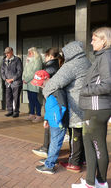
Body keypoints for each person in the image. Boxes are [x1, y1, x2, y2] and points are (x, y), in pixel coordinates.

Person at [43, 41, 91, 173]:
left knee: (75, 133)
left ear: (70, 52)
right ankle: (83, 159)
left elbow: (53, 84)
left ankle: (74, 163)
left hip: (75, 105)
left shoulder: (71, 65)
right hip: (86, 104)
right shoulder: (87, 62)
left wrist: (46, 93)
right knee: (82, 133)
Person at [72, 27, 111, 188]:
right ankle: (90, 182)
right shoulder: (101, 56)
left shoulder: (106, 57)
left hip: (97, 109)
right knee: (89, 143)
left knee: (98, 145)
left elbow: (107, 85)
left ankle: (101, 182)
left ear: (104, 40)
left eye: (95, 39)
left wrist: (85, 90)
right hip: (92, 108)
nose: (91, 42)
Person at [31, 70, 69, 175]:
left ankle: (49, 165)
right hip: (53, 121)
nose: (41, 86)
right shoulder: (49, 89)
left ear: (48, 79)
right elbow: (49, 106)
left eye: (42, 83)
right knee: (53, 142)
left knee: (55, 143)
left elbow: (63, 106)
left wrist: (58, 119)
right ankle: (50, 160)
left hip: (58, 122)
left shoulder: (57, 90)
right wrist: (46, 119)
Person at [32, 47, 63, 157]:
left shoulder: (50, 68)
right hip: (54, 98)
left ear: (50, 56)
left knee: (49, 122)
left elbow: (44, 83)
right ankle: (47, 147)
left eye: (45, 56)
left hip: (51, 98)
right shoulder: (58, 65)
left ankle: (47, 147)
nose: (44, 58)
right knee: (51, 122)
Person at [1, 47, 23, 118]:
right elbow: (2, 72)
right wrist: (5, 79)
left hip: (16, 83)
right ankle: (10, 111)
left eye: (8, 53)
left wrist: (12, 79)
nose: (6, 54)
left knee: (16, 98)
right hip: (7, 82)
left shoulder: (17, 60)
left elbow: (19, 71)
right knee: (8, 97)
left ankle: (16, 112)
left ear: (12, 52)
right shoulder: (4, 60)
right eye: (6, 53)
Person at [22, 47, 43, 122]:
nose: (29, 54)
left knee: (35, 99)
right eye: (28, 53)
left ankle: (39, 115)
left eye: (30, 52)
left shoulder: (37, 60)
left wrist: (26, 79)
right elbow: (24, 70)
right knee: (30, 99)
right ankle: (31, 114)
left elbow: (35, 71)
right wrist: (23, 78)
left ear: (34, 53)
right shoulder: (28, 60)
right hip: (27, 82)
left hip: (33, 82)